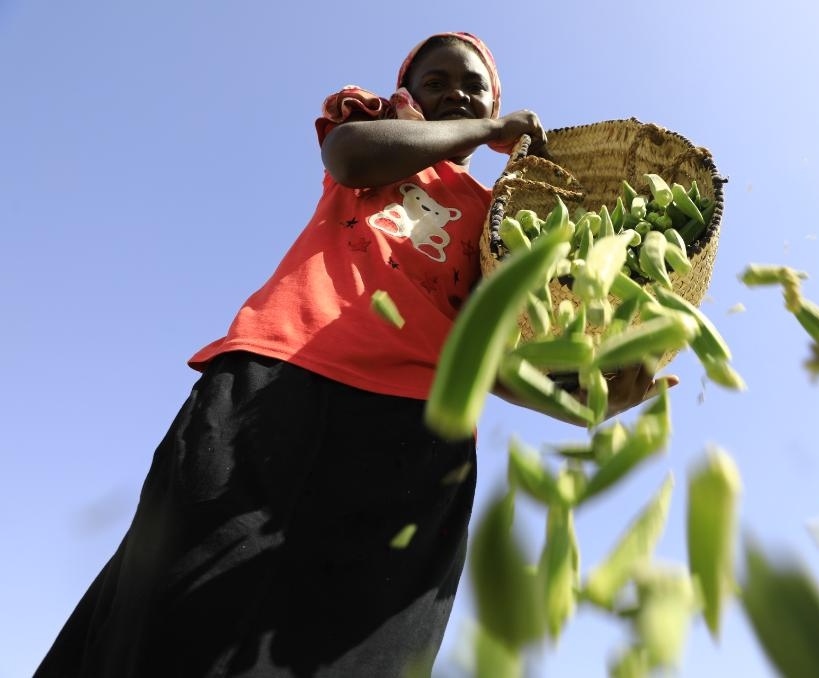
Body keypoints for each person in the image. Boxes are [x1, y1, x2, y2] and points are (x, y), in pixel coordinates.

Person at [35, 32, 673, 678]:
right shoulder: (378, 130)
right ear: (407, 96)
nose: (455, 91)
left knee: (352, 651)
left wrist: (586, 399)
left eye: (473, 86)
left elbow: (490, 351)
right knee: (175, 611)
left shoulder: (495, 223)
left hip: (417, 438)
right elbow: (348, 159)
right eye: (436, 82)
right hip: (284, 382)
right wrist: (484, 130)